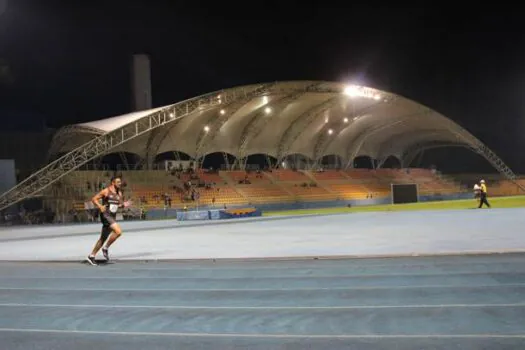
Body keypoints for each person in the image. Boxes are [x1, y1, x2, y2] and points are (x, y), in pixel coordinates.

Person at [86, 176, 131, 266]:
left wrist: (124, 205)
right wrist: (100, 206)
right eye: (118, 182)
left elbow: (118, 205)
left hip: (112, 216)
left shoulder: (120, 193)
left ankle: (91, 256)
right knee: (118, 232)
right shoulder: (106, 191)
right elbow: (94, 199)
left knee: (103, 238)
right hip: (105, 215)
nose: (120, 183)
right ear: (113, 183)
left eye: (120, 182)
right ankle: (105, 248)